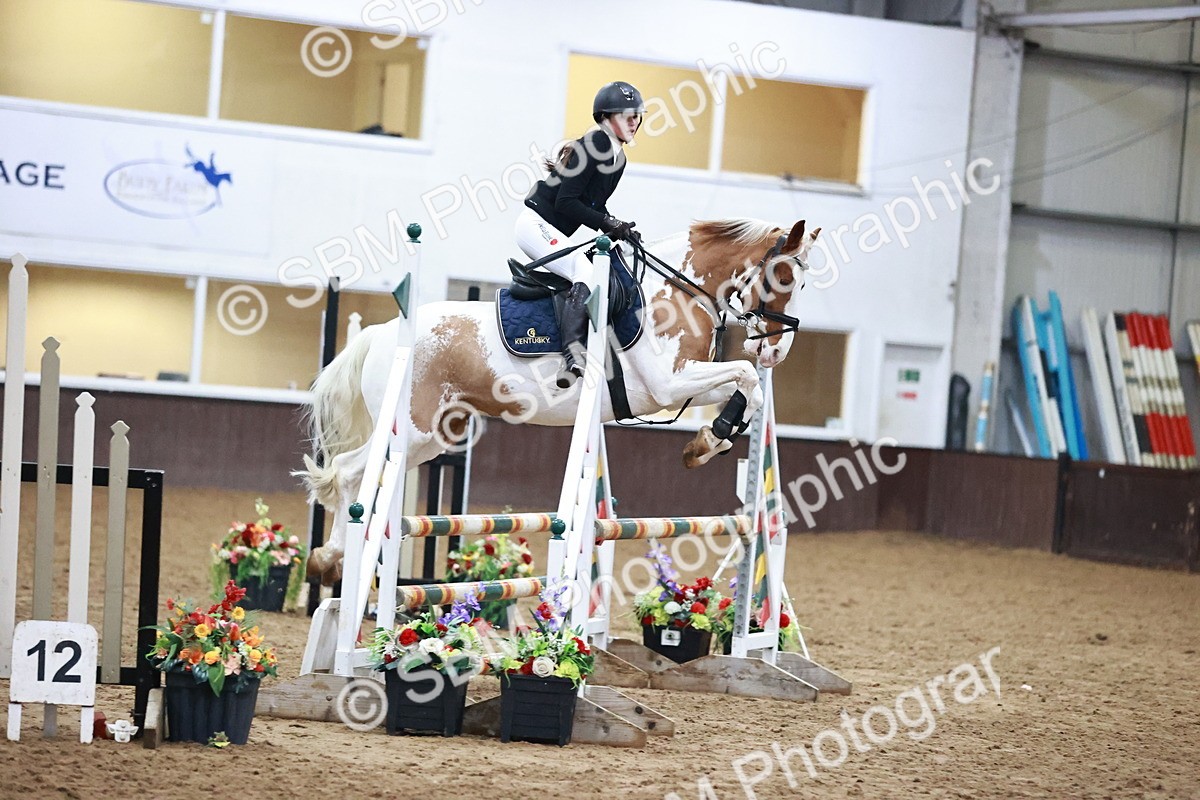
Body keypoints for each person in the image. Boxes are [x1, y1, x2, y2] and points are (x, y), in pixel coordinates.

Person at [517, 80, 644, 388]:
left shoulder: (619, 158)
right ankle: (572, 355)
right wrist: (607, 222)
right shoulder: (595, 144)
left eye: (637, 116)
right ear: (606, 118)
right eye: (627, 116)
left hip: (552, 230)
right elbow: (566, 202)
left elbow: (594, 204)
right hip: (535, 225)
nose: (634, 122)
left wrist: (617, 225)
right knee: (585, 270)